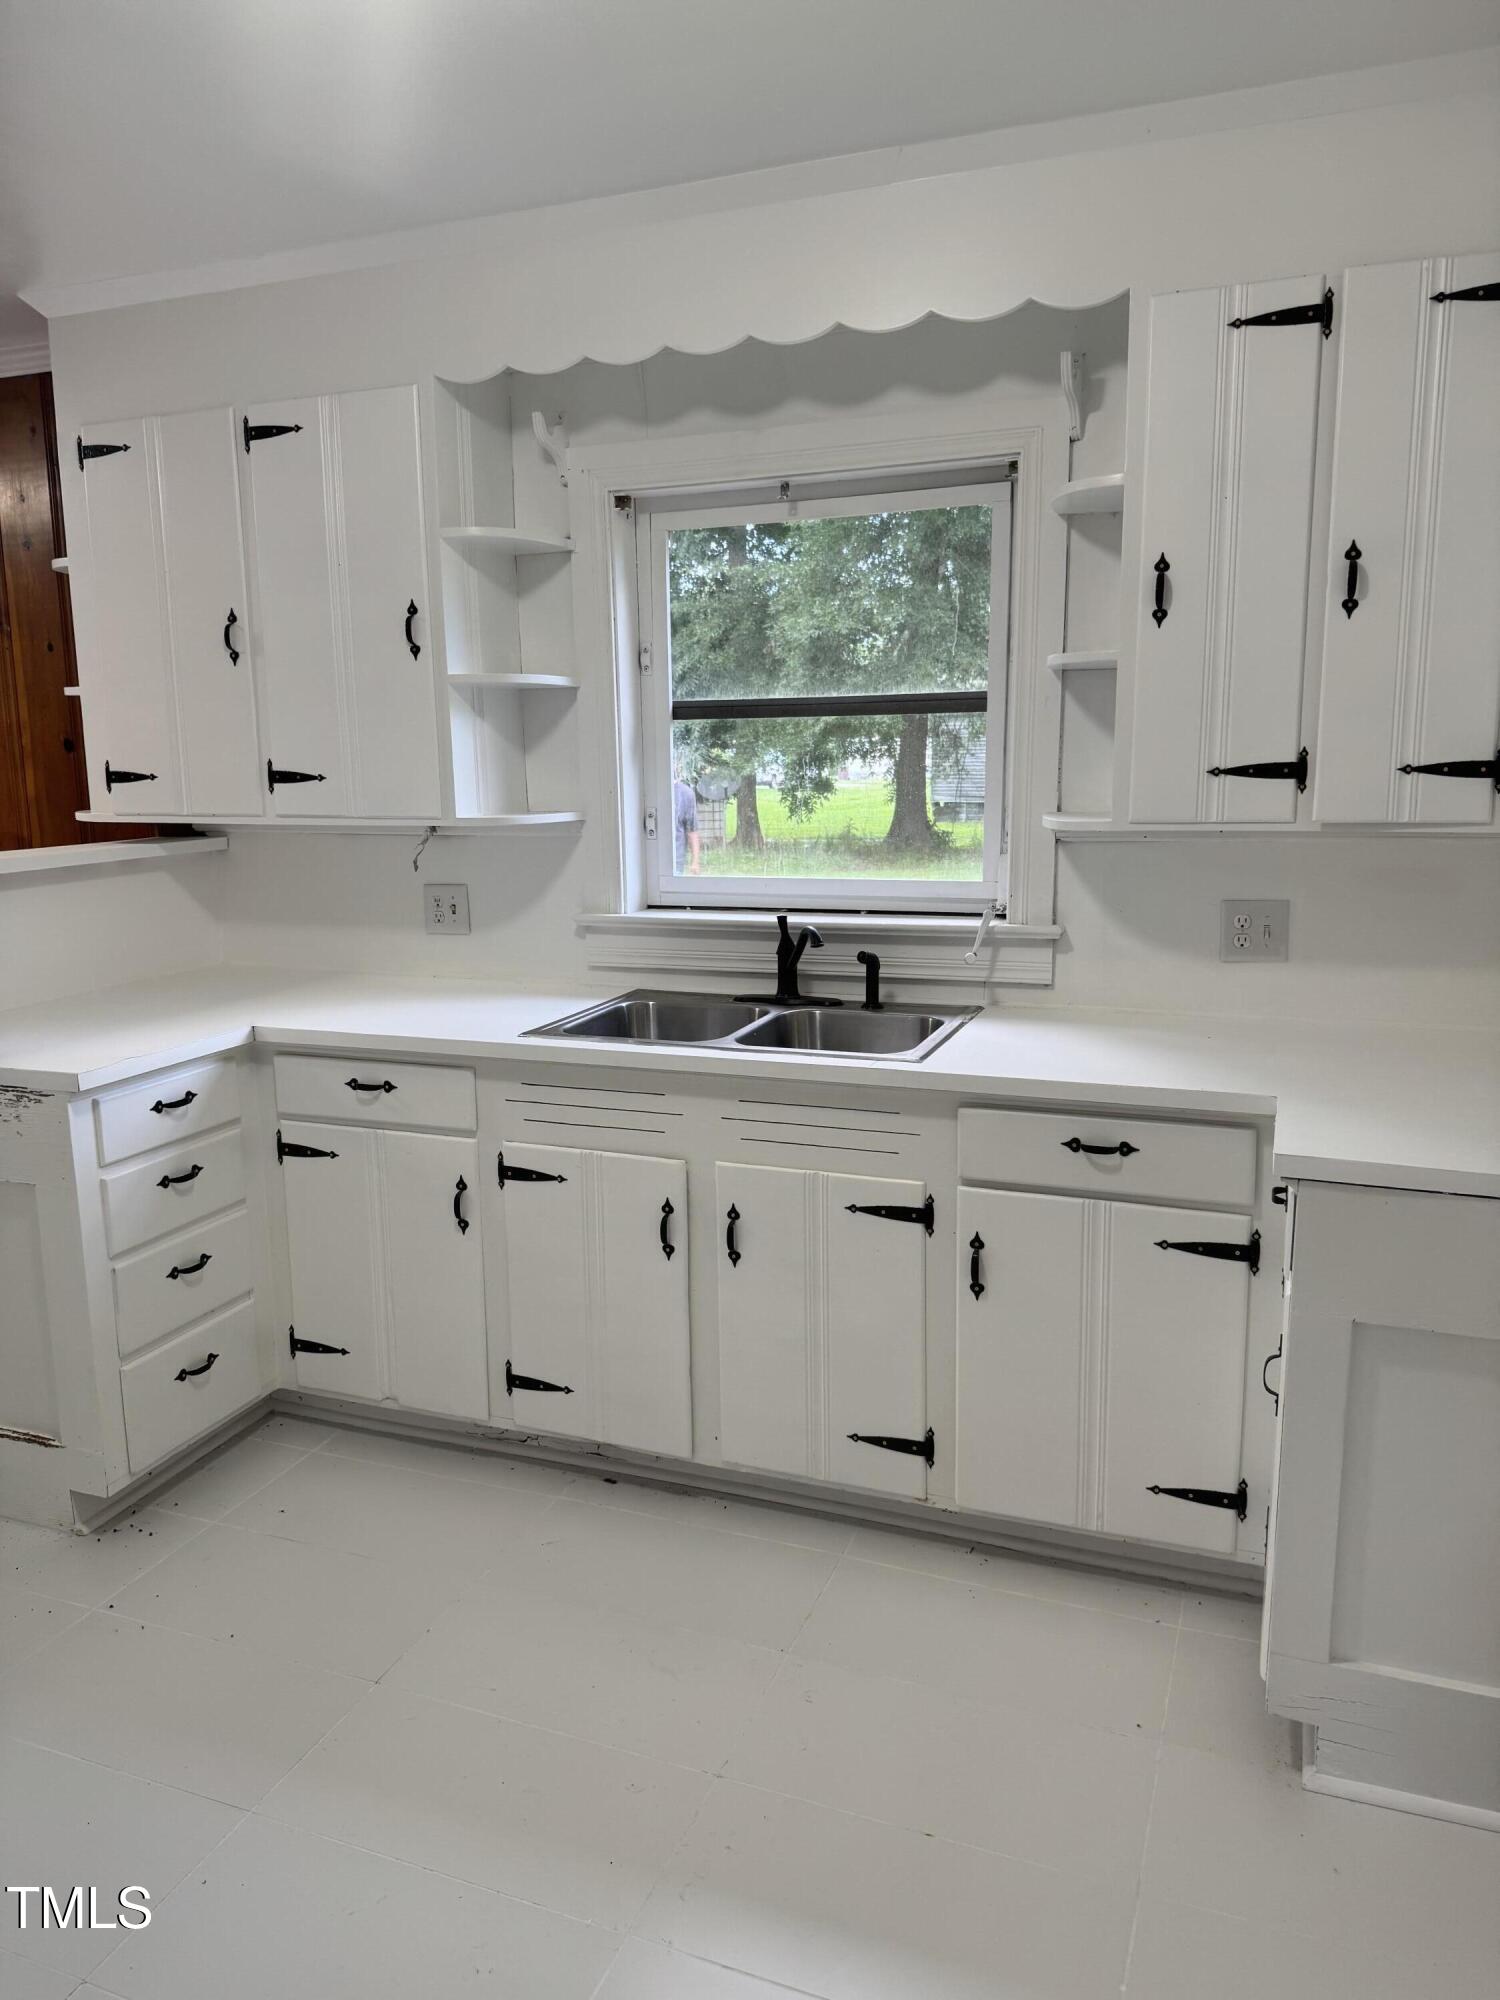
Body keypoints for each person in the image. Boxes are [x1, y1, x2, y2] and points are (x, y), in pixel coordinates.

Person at [673, 776, 701, 875]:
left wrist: (695, 862)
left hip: (675, 862)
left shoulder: (685, 793)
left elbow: (692, 830)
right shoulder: (651, 789)